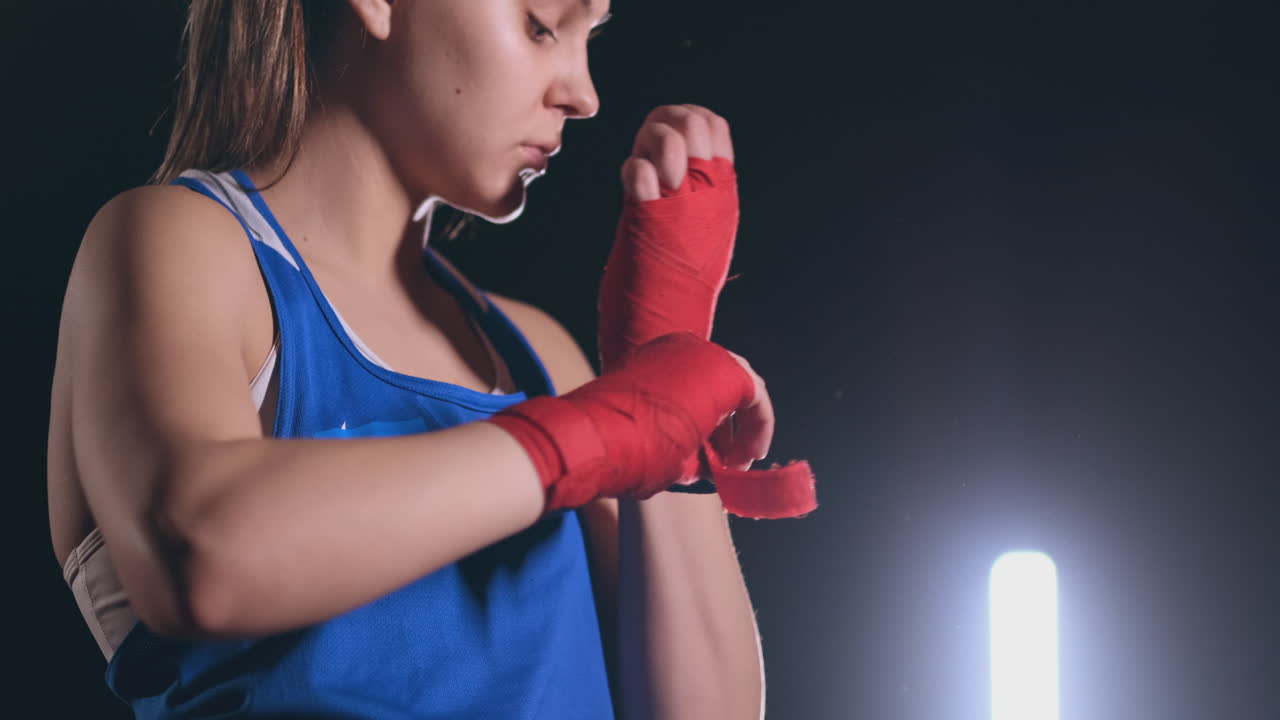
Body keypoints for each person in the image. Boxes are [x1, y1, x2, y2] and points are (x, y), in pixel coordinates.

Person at [47, 1, 794, 717]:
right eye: (541, 26)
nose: (584, 94)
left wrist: (662, 381)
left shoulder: (540, 356)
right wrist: (587, 438)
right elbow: (201, 556)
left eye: (588, 38)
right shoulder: (177, 245)